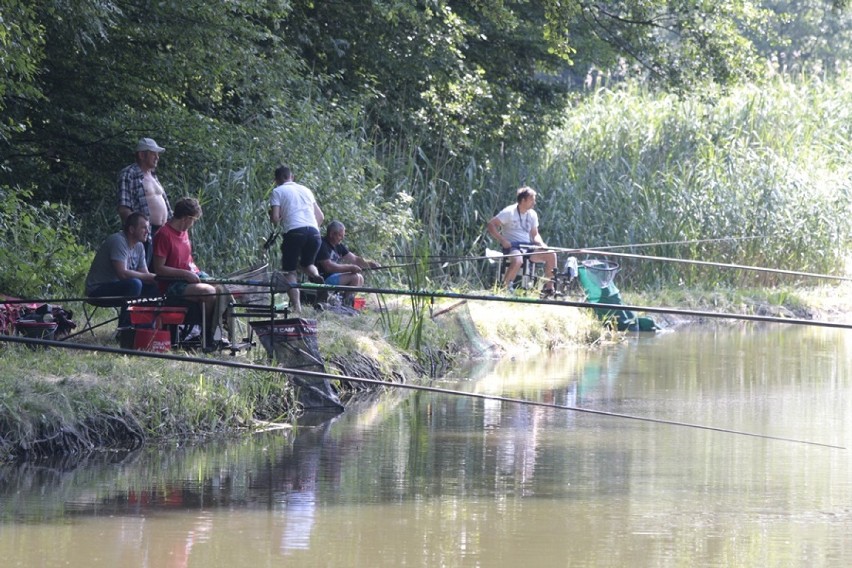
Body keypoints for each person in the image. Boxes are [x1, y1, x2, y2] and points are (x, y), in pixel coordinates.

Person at [152, 197, 230, 350]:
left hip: (188, 278)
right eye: (193, 220)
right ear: (186, 218)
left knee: (221, 286)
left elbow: (189, 261)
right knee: (208, 292)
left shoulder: (184, 232)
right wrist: (185, 275)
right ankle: (206, 335)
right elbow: (159, 269)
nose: (193, 224)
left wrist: (200, 275)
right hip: (171, 285)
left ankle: (219, 332)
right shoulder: (164, 234)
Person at [85, 212, 160, 328]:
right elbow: (123, 274)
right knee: (135, 284)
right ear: (131, 229)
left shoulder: (139, 246)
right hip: (98, 290)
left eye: (148, 228)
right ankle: (125, 329)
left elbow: (145, 274)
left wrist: (160, 280)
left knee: (155, 287)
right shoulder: (118, 241)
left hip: (119, 288)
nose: (148, 231)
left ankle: (144, 327)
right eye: (144, 228)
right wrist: (150, 277)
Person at [268, 165, 325, 314]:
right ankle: (317, 277)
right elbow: (321, 217)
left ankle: (297, 308)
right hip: (314, 233)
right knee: (307, 264)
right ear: (291, 177)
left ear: (277, 179)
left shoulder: (277, 191)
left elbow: (275, 218)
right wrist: (312, 230)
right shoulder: (306, 190)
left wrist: (275, 216)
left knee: (290, 271)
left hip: (294, 233)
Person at [486, 186, 558, 296]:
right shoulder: (509, 212)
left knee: (551, 254)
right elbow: (491, 224)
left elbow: (535, 234)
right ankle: (505, 288)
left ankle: (549, 289)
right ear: (523, 200)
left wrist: (541, 244)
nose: (534, 202)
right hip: (512, 247)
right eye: (532, 199)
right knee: (518, 260)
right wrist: (503, 240)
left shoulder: (532, 214)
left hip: (528, 247)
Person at [117, 137, 172, 267]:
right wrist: (137, 232)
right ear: (142, 155)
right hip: (144, 232)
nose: (157, 157)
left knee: (159, 271)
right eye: (153, 153)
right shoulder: (128, 174)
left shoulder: (153, 176)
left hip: (162, 232)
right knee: (142, 269)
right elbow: (124, 208)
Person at [315, 221, 380, 306]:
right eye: (340, 235)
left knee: (360, 278)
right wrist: (350, 268)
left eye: (343, 235)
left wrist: (370, 264)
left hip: (333, 277)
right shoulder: (322, 244)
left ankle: (346, 302)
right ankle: (346, 304)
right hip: (323, 279)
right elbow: (328, 267)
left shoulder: (339, 246)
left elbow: (355, 259)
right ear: (331, 234)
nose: (342, 238)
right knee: (355, 277)